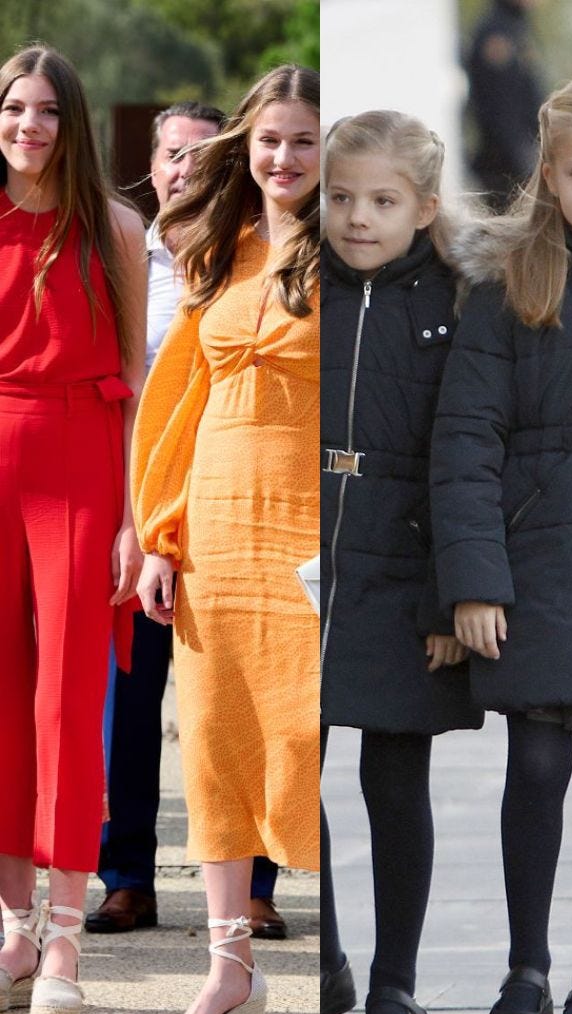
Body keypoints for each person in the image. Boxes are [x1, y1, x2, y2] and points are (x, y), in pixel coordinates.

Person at [433, 73, 572, 1014]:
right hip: (543, 550)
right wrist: (475, 577)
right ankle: (526, 971)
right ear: (550, 175)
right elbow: (466, 435)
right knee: (537, 761)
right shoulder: (511, 284)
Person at [134, 64, 322, 1014]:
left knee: (312, 744)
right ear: (244, 150)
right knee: (212, 747)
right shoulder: (219, 252)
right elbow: (175, 412)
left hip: (309, 535)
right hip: (214, 533)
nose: (284, 157)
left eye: (303, 138)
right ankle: (230, 983)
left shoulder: (355, 258)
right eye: (270, 139)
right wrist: (162, 534)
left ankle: (366, 970)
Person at [89, 99, 289, 942]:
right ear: (155, 162)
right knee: (128, 704)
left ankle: (258, 885)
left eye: (206, 157)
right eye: (175, 155)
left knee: (251, 701)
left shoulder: (253, 258)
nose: (186, 170)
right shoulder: (125, 258)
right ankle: (126, 876)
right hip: (130, 502)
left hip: (240, 509)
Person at [318, 109, 483, 1014]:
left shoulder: (458, 303)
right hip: (314, 564)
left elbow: (462, 459)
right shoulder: (309, 291)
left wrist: (447, 597)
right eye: (341, 198)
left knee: (393, 778)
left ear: (423, 206)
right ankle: (331, 953)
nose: (357, 217)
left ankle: (395, 987)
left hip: (404, 565)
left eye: (382, 200)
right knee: (296, 773)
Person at [0, 42, 148, 1014]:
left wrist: (138, 517)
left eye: (48, 110)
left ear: (75, 121)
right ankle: (11, 926)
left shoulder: (119, 228)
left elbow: (140, 380)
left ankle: (63, 939)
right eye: (15, 107)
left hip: (84, 466)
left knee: (66, 706)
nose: (30, 126)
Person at [464, 0, 545, 211]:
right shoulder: (497, 33)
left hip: (521, 157)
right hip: (505, 167)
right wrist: (524, 165)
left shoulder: (516, 27)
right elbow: (501, 108)